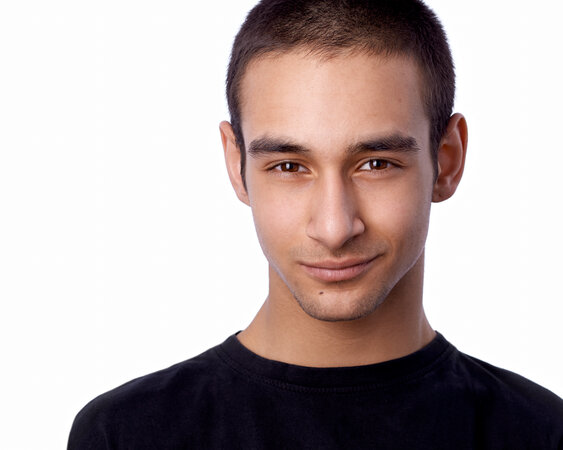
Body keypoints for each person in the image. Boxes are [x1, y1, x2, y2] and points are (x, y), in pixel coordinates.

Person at [68, 0, 563, 448]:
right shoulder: (124, 435)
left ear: (447, 159)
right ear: (236, 165)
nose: (334, 227)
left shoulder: (540, 432)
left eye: (377, 164)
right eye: (289, 166)